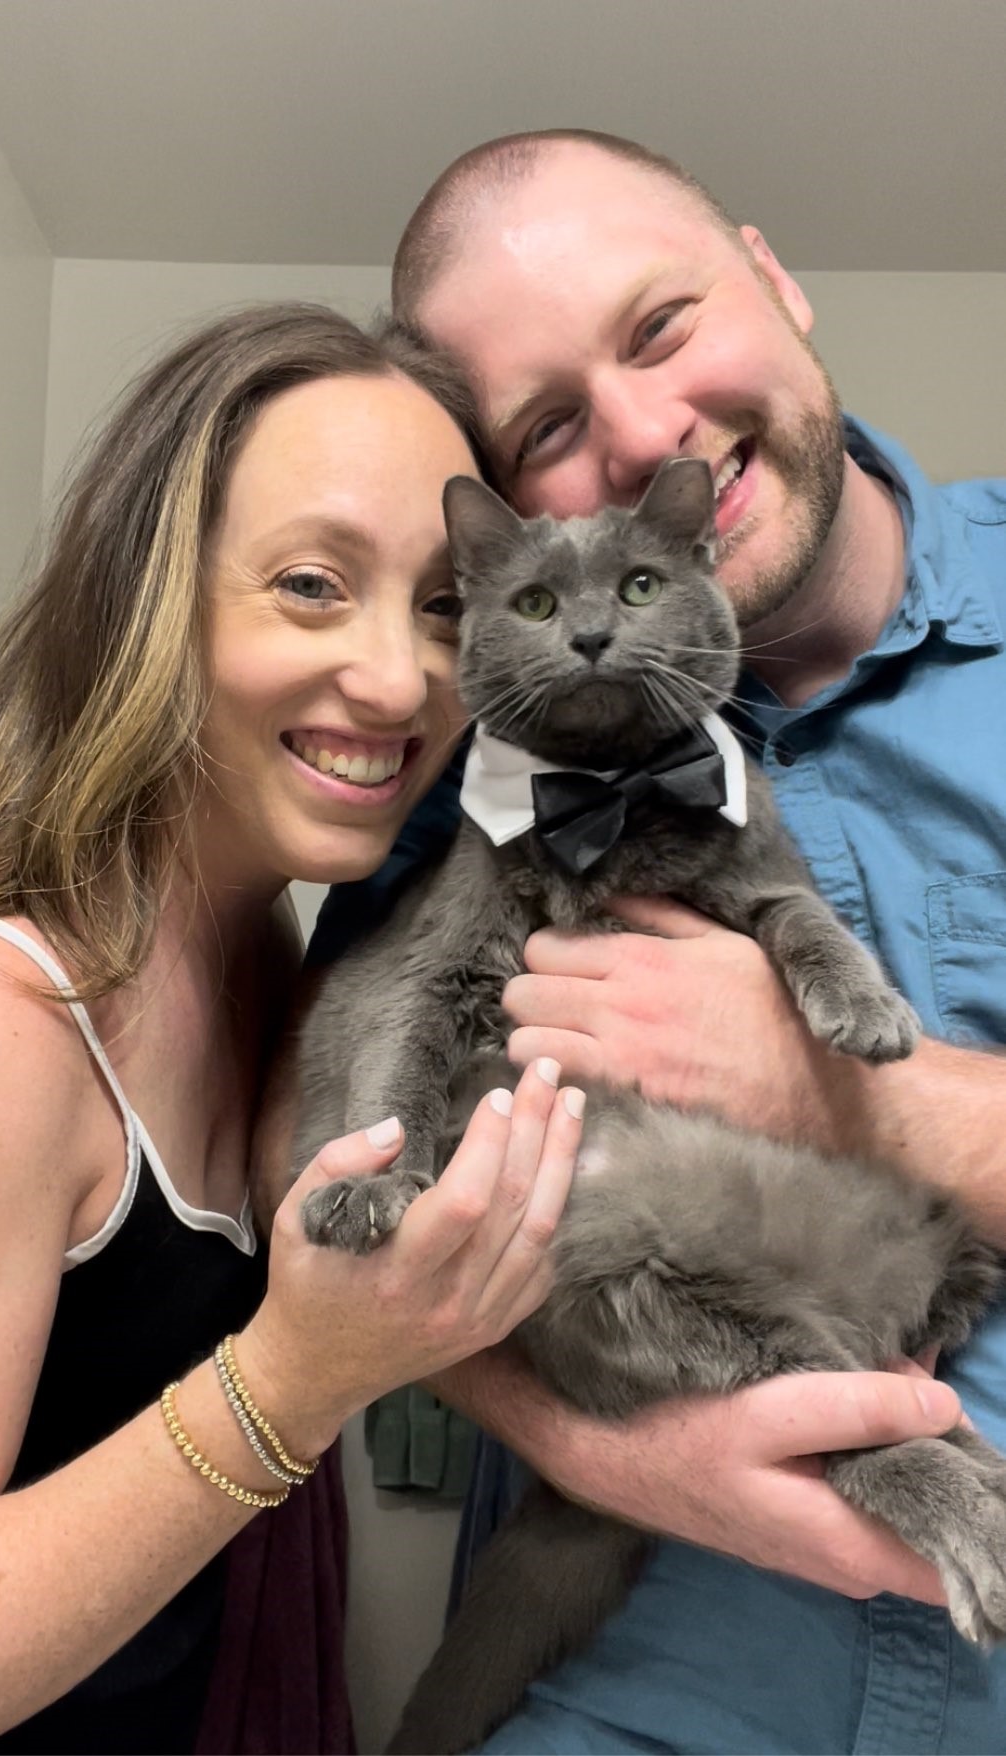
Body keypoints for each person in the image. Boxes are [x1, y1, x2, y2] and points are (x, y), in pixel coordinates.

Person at [313, 130, 1006, 1751]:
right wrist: (601, 1449)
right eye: (546, 425)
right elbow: (318, 1172)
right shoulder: (454, 782)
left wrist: (847, 1093)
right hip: (631, 1688)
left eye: (661, 324)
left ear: (773, 275)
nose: (639, 432)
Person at [0, 302, 588, 1755]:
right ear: (150, 599)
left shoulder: (265, 941)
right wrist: (291, 1384)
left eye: (445, 606)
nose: (396, 679)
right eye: (311, 584)